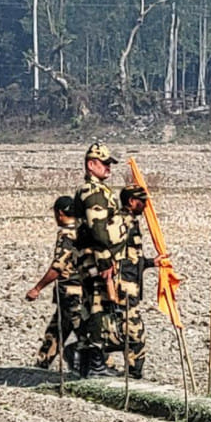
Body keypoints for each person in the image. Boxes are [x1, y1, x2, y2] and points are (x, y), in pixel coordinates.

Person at [72, 143, 127, 378]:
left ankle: (87, 364)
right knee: (98, 307)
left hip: (92, 258)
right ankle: (95, 364)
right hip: (95, 260)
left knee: (90, 307)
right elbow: (98, 230)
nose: (108, 168)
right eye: (104, 164)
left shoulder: (96, 190)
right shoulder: (93, 192)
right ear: (91, 165)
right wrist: (105, 261)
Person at [26, 196, 85, 370]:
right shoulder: (84, 230)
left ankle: (102, 366)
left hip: (71, 293)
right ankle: (42, 363)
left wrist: (37, 288)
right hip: (81, 291)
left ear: (59, 213)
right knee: (55, 331)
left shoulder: (66, 234)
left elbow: (58, 266)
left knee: (83, 334)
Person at [115, 184, 167, 379]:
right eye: (142, 201)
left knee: (130, 331)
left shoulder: (131, 222)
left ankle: (132, 372)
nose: (145, 205)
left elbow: (132, 259)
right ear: (131, 201)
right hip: (123, 287)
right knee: (134, 332)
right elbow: (112, 256)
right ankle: (131, 373)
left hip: (131, 287)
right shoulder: (120, 223)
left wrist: (152, 262)